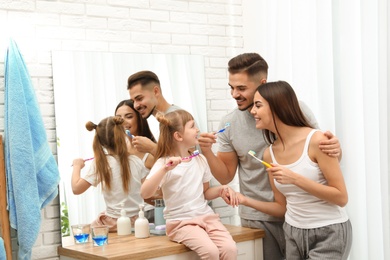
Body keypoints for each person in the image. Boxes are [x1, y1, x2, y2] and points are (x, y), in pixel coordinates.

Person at [198, 53, 342, 260]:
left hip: (302, 216)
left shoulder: (297, 109)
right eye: (231, 87)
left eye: (241, 88)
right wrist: (207, 152)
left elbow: (323, 153)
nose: (234, 94)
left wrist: (336, 148)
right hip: (259, 219)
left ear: (262, 84)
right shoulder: (229, 124)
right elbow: (225, 177)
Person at [235, 81, 352, 259]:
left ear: (277, 107)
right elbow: (281, 207)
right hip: (292, 233)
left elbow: (341, 197)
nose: (252, 111)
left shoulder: (317, 141)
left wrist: (295, 179)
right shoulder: (269, 154)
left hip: (328, 232)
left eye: (258, 105)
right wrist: (244, 200)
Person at [141, 110, 238, 260]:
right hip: (181, 223)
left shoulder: (200, 159)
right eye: (192, 126)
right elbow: (145, 193)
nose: (197, 130)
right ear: (178, 136)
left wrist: (221, 189)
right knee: (211, 252)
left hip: (206, 217)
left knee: (230, 249)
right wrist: (165, 169)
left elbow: (205, 193)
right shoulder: (164, 163)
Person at [71, 116, 153, 232]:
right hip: (137, 222)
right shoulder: (136, 161)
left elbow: (76, 188)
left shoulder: (101, 164)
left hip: (112, 223)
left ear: (100, 141)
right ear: (123, 136)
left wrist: (77, 166)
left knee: (84, 233)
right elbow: (148, 193)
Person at [114, 99, 159, 222]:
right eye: (118, 118)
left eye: (129, 116)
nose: (123, 121)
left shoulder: (149, 153)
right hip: (125, 216)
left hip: (147, 215)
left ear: (140, 119)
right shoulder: (118, 151)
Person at [127, 70, 182, 155]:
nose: (135, 106)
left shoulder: (175, 117)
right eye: (133, 101)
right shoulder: (166, 119)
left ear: (156, 91)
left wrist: (152, 148)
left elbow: (189, 160)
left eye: (139, 98)